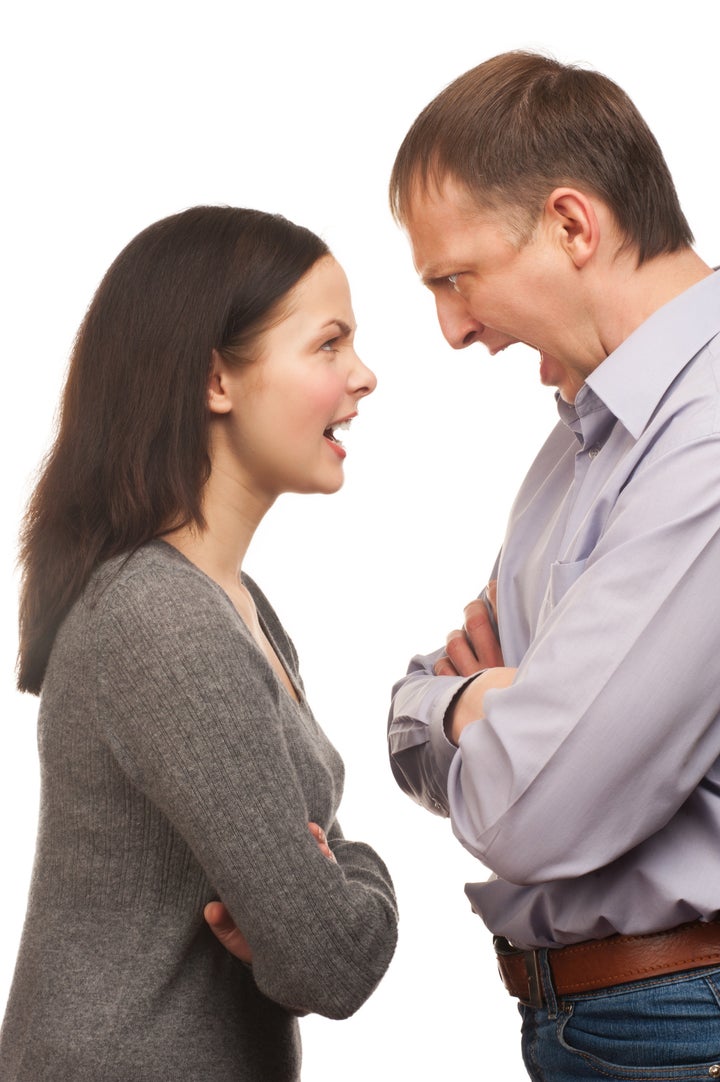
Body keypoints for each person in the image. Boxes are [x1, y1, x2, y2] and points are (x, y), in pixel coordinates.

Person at [0, 206, 397, 1082]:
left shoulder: (234, 603)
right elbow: (327, 959)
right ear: (217, 379)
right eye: (329, 344)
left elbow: (306, 926)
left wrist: (317, 886)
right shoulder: (159, 619)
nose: (364, 376)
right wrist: (360, 877)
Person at [387, 50, 720, 1080]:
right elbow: (413, 712)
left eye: (457, 278)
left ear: (574, 226)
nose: (451, 328)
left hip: (680, 1025)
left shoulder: (707, 436)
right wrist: (471, 705)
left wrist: (475, 700)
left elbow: (532, 810)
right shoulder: (579, 440)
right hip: (598, 1022)